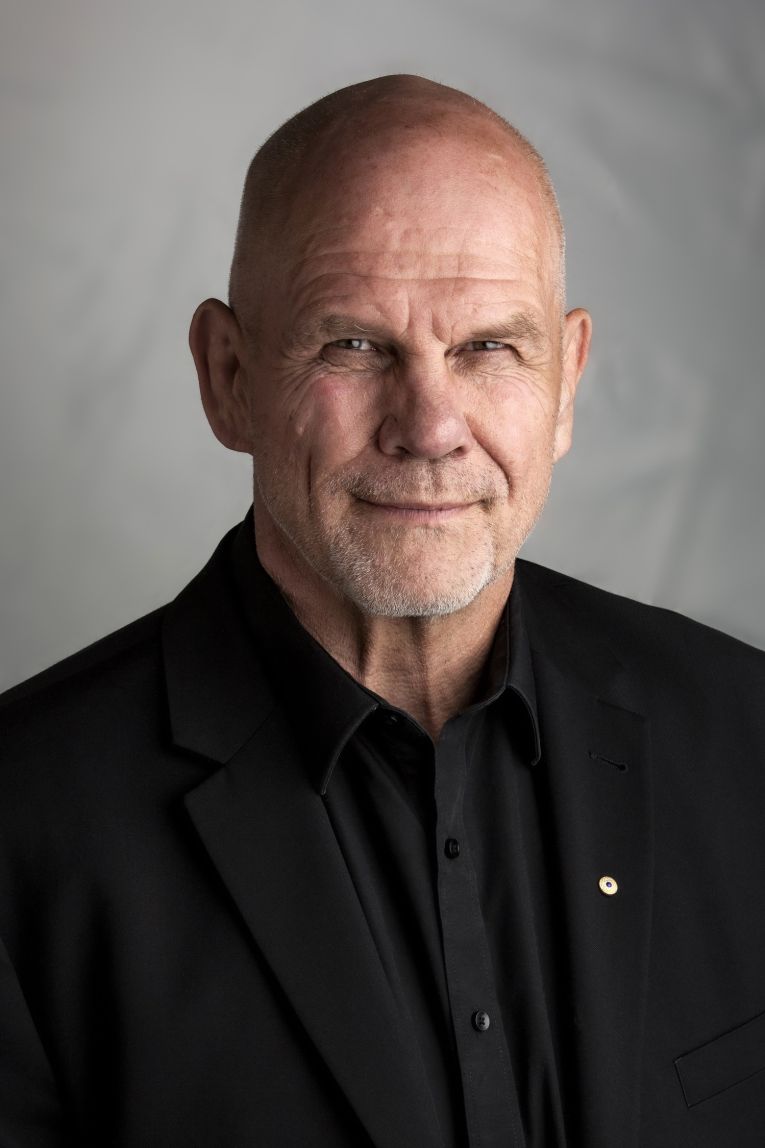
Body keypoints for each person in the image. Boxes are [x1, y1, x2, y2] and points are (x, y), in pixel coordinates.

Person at [1, 74, 764, 1148]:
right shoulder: (25, 825)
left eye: (488, 347)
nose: (430, 425)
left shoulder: (744, 732)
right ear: (229, 376)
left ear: (566, 383)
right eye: (354, 345)